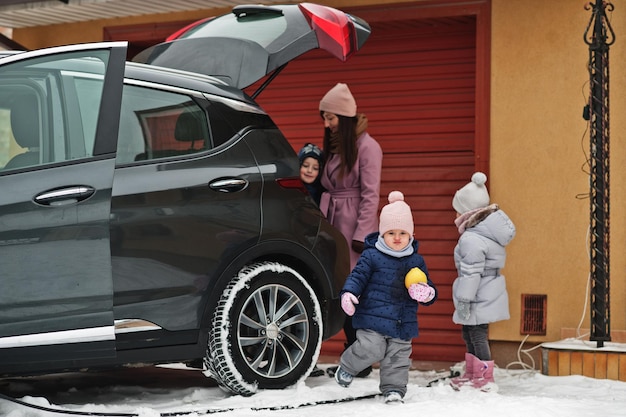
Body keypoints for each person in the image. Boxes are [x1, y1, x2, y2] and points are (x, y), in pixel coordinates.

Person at [333, 191, 437, 403]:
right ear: (381, 235)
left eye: (402, 233)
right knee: (371, 348)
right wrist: (349, 293)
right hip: (373, 317)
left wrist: (426, 293)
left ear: (411, 235)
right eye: (391, 233)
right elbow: (358, 276)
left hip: (402, 320)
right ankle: (348, 366)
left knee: (398, 357)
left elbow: (428, 286)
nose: (397, 238)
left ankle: (394, 389)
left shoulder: (416, 261)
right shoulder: (372, 255)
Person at [317, 83, 383, 376]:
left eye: (330, 117)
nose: (326, 123)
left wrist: (363, 235)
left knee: (353, 292)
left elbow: (371, 194)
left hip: (352, 228)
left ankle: (361, 356)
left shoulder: (368, 147)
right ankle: (357, 355)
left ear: (343, 117)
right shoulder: (334, 148)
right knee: (339, 291)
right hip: (332, 224)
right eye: (324, 117)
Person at [448, 172, 516, 391]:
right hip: (488, 289)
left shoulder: (471, 238)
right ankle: (473, 374)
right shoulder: (485, 233)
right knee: (470, 331)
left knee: (476, 333)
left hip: (478, 293)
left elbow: (471, 272)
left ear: (467, 211)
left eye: (458, 208)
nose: (455, 213)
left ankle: (484, 378)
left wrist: (465, 300)